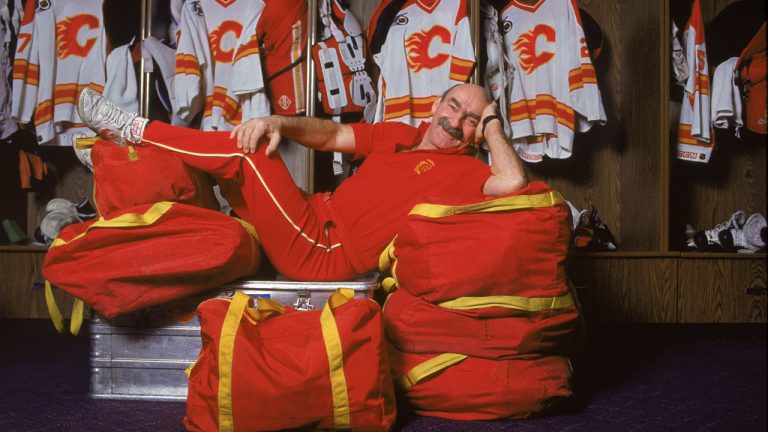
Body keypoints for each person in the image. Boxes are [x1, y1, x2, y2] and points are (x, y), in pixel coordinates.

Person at [77, 84, 527, 281]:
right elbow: (331, 134)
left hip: (324, 251)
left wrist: (492, 127)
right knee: (247, 138)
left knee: (244, 152)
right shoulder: (399, 135)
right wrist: (277, 120)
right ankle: (125, 157)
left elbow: (512, 181)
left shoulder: (471, 171)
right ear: (436, 106)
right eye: (453, 108)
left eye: (470, 120)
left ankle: (134, 131)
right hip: (312, 211)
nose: (455, 123)